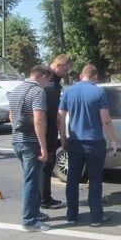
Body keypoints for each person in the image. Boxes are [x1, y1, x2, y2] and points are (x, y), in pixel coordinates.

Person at [58, 64, 117, 227]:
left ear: (81, 75)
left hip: (75, 142)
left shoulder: (68, 91)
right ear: (95, 76)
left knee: (72, 180)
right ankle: (96, 218)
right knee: (95, 180)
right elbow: (105, 119)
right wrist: (113, 140)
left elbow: (61, 118)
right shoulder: (98, 91)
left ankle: (71, 216)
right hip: (95, 143)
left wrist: (63, 138)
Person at [9, 65, 53, 232]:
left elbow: (12, 116)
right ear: (42, 76)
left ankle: (35, 212)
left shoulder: (17, 89)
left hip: (17, 141)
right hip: (31, 143)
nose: (47, 83)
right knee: (32, 182)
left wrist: (16, 134)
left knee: (30, 179)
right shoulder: (38, 92)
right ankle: (29, 221)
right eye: (47, 79)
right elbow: (38, 119)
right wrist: (43, 146)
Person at [40, 53, 72, 210]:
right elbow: (56, 115)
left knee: (45, 165)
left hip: (45, 129)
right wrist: (63, 136)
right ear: (58, 65)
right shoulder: (50, 84)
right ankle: (44, 199)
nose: (65, 74)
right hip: (48, 130)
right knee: (47, 164)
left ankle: (43, 198)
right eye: (65, 70)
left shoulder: (47, 78)